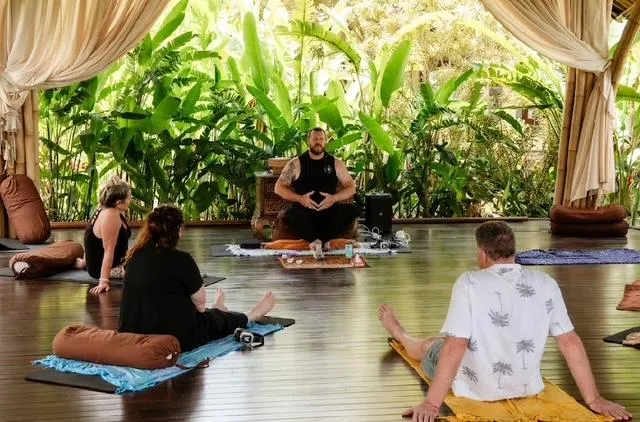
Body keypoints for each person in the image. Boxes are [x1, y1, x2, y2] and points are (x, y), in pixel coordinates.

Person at [379, 221, 632, 422]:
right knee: (448, 341)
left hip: (474, 390)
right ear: (514, 251)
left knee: (432, 346)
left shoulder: (469, 283)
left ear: (482, 253)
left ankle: (399, 332)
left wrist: (431, 404)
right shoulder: (545, 283)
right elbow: (570, 343)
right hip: (527, 387)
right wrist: (595, 399)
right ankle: (404, 333)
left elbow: (455, 347)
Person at [118, 205, 277, 352]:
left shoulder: (134, 255)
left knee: (202, 312)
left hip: (131, 334)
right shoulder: (182, 260)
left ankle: (218, 309)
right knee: (209, 320)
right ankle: (250, 315)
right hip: (173, 338)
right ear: (179, 231)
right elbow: (200, 307)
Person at [274, 127, 358, 246]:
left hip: (329, 211)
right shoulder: (296, 163)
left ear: (325, 141)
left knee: (351, 210)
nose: (318, 142)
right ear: (308, 141)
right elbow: (279, 188)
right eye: (315, 139)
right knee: (291, 213)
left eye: (321, 139)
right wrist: (300, 199)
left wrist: (334, 198)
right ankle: (324, 240)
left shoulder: (336, 163)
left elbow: (351, 187)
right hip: (305, 211)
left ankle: (317, 241)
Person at [79, 176, 132, 295]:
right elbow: (109, 250)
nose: (131, 200)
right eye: (129, 198)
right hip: (105, 269)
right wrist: (103, 281)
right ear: (118, 202)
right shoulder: (110, 215)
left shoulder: (109, 209)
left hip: (107, 262)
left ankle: (82, 264)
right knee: (152, 268)